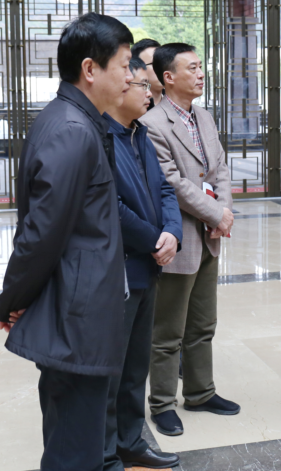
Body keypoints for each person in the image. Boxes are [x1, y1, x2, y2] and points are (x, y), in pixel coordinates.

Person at [0, 13, 134, 470]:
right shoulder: (73, 130)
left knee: (73, 440)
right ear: (91, 69)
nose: (131, 76)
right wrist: (12, 300)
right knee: (74, 450)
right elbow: (42, 232)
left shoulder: (76, 119)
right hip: (76, 319)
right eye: (124, 64)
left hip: (76, 312)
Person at [139, 43, 238, 437]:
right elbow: (172, 182)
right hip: (179, 237)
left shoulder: (205, 117)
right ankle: (162, 404)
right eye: (192, 68)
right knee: (168, 332)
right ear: (168, 77)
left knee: (203, 323)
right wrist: (215, 213)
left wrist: (223, 213)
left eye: (201, 67)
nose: (200, 74)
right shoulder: (152, 123)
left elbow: (221, 168)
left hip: (210, 235)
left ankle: (200, 392)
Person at [103, 58, 183, 470]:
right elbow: (110, 206)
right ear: (120, 88)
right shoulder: (101, 138)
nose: (150, 94)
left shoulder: (140, 133)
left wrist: (172, 232)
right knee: (111, 369)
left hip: (149, 265)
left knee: (137, 365)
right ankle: (106, 451)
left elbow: (165, 190)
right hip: (121, 269)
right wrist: (154, 239)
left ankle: (131, 441)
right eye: (142, 86)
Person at [131, 38, 164, 109]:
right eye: (155, 63)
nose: (163, 67)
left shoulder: (178, 103)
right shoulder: (133, 108)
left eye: (163, 62)